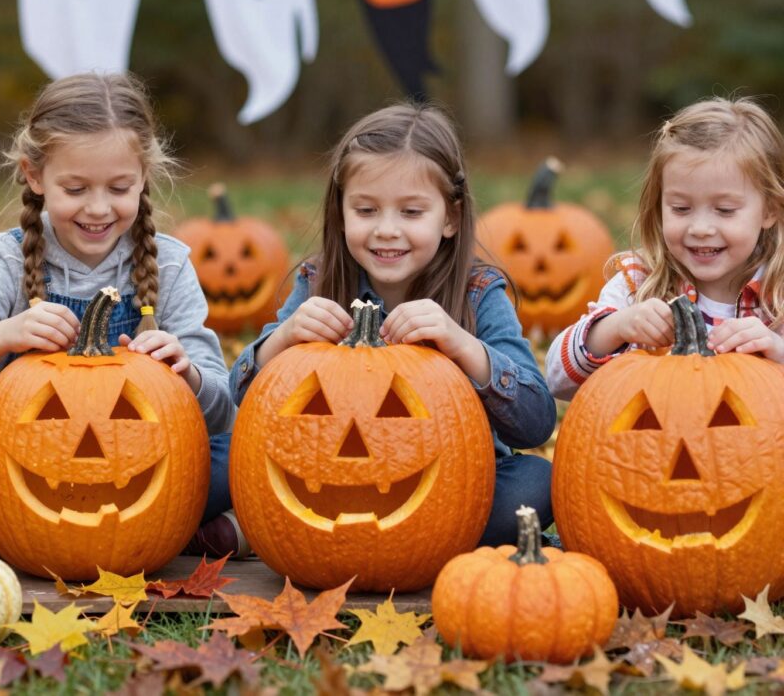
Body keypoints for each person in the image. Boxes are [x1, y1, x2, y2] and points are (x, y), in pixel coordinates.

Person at [0, 72, 244, 559]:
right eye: (76, 188)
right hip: (16, 466)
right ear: (34, 175)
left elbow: (221, 411)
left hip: (144, 464)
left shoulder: (169, 264)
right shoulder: (7, 260)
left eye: (118, 188)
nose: (98, 208)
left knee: (246, 454)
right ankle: (16, 526)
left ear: (143, 177)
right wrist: (2, 335)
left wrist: (187, 372)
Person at [231, 102, 556, 546]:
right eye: (366, 211)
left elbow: (536, 422)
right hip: (326, 469)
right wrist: (283, 339)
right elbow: (241, 395)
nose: (386, 230)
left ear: (451, 218)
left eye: (410, 212)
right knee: (241, 465)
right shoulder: (319, 284)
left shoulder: (478, 292)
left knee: (535, 483)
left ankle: (421, 542)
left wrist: (462, 345)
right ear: (341, 212)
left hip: (454, 481)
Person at [548, 97, 784, 398]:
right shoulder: (638, 284)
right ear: (658, 207)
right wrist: (617, 327)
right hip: (654, 439)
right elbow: (556, 380)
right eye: (681, 208)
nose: (700, 229)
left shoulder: (777, 296)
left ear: (769, 211)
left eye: (724, 210)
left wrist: (777, 353)